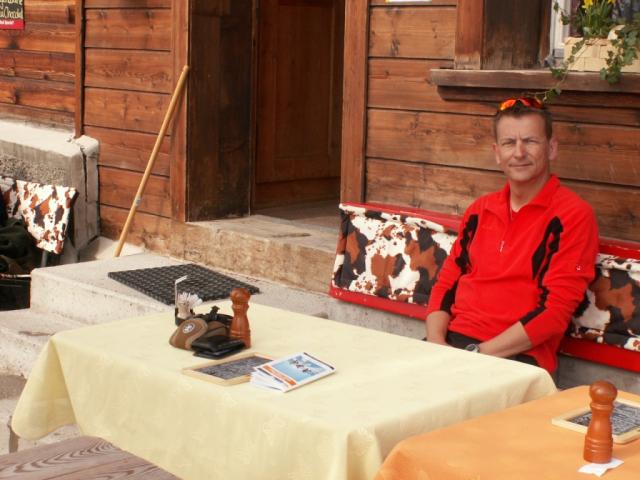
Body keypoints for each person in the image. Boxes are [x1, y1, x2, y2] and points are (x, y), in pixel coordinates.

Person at [425, 97, 599, 373]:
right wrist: (435, 342)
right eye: (509, 143)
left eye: (530, 141)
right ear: (497, 152)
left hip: (517, 358)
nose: (519, 153)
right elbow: (446, 283)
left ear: (551, 148)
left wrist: (476, 355)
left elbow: (555, 312)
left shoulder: (573, 215)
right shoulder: (479, 210)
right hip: (451, 345)